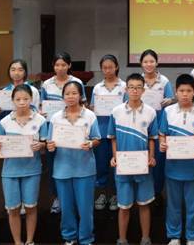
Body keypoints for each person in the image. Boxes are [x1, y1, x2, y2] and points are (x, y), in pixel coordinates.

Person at [159, 74, 194, 245]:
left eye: (189, 90)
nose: (185, 94)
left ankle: (192, 237)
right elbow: (162, 134)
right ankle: (174, 236)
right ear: (176, 91)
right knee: (173, 204)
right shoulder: (168, 111)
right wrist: (162, 144)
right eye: (181, 90)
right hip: (173, 167)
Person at [47, 81, 100, 245]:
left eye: (74, 93)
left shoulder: (90, 116)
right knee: (66, 207)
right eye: (67, 94)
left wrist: (90, 144)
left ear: (80, 95)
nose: (70, 97)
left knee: (85, 208)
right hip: (62, 168)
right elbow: (50, 142)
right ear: (63, 96)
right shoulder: (55, 117)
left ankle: (86, 238)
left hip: (85, 168)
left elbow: (97, 139)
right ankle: (69, 237)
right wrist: (50, 146)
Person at [108, 73, 158, 245]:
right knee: (124, 206)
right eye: (131, 87)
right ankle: (122, 239)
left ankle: (145, 238)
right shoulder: (116, 111)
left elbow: (152, 138)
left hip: (143, 166)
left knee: (144, 204)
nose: (135, 90)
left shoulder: (151, 112)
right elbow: (113, 138)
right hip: (123, 167)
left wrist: (151, 157)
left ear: (143, 90)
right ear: (126, 89)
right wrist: (114, 157)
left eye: (138, 87)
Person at [0, 84, 47, 245]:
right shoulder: (4, 122)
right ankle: (17, 242)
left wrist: (41, 145)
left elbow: (45, 145)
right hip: (10, 171)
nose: (22, 102)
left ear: (31, 99)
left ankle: (30, 241)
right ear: (12, 101)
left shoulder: (40, 120)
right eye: (18, 99)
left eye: (25, 99)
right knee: (13, 209)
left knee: (31, 207)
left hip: (32, 170)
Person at [41, 52, 86, 214]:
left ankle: (74, 198)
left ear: (69, 65)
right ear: (53, 66)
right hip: (54, 129)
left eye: (63, 65)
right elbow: (42, 105)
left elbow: (84, 105)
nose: (60, 68)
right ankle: (57, 197)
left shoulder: (77, 82)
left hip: (74, 128)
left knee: (73, 162)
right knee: (54, 163)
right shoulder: (46, 84)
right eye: (57, 65)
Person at [91, 54, 125, 212]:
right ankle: (102, 194)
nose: (107, 70)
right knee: (101, 164)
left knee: (116, 165)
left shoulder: (124, 86)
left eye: (110, 67)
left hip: (118, 132)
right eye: (104, 68)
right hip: (101, 131)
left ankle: (115, 195)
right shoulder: (97, 88)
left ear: (116, 67)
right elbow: (92, 108)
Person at [140, 49, 175, 198]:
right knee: (142, 158)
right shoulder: (137, 81)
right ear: (141, 64)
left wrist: (170, 100)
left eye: (151, 61)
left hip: (159, 124)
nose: (149, 64)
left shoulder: (164, 81)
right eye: (145, 61)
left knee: (158, 161)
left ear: (157, 63)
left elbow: (171, 100)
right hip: (141, 127)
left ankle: (157, 192)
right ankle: (143, 192)